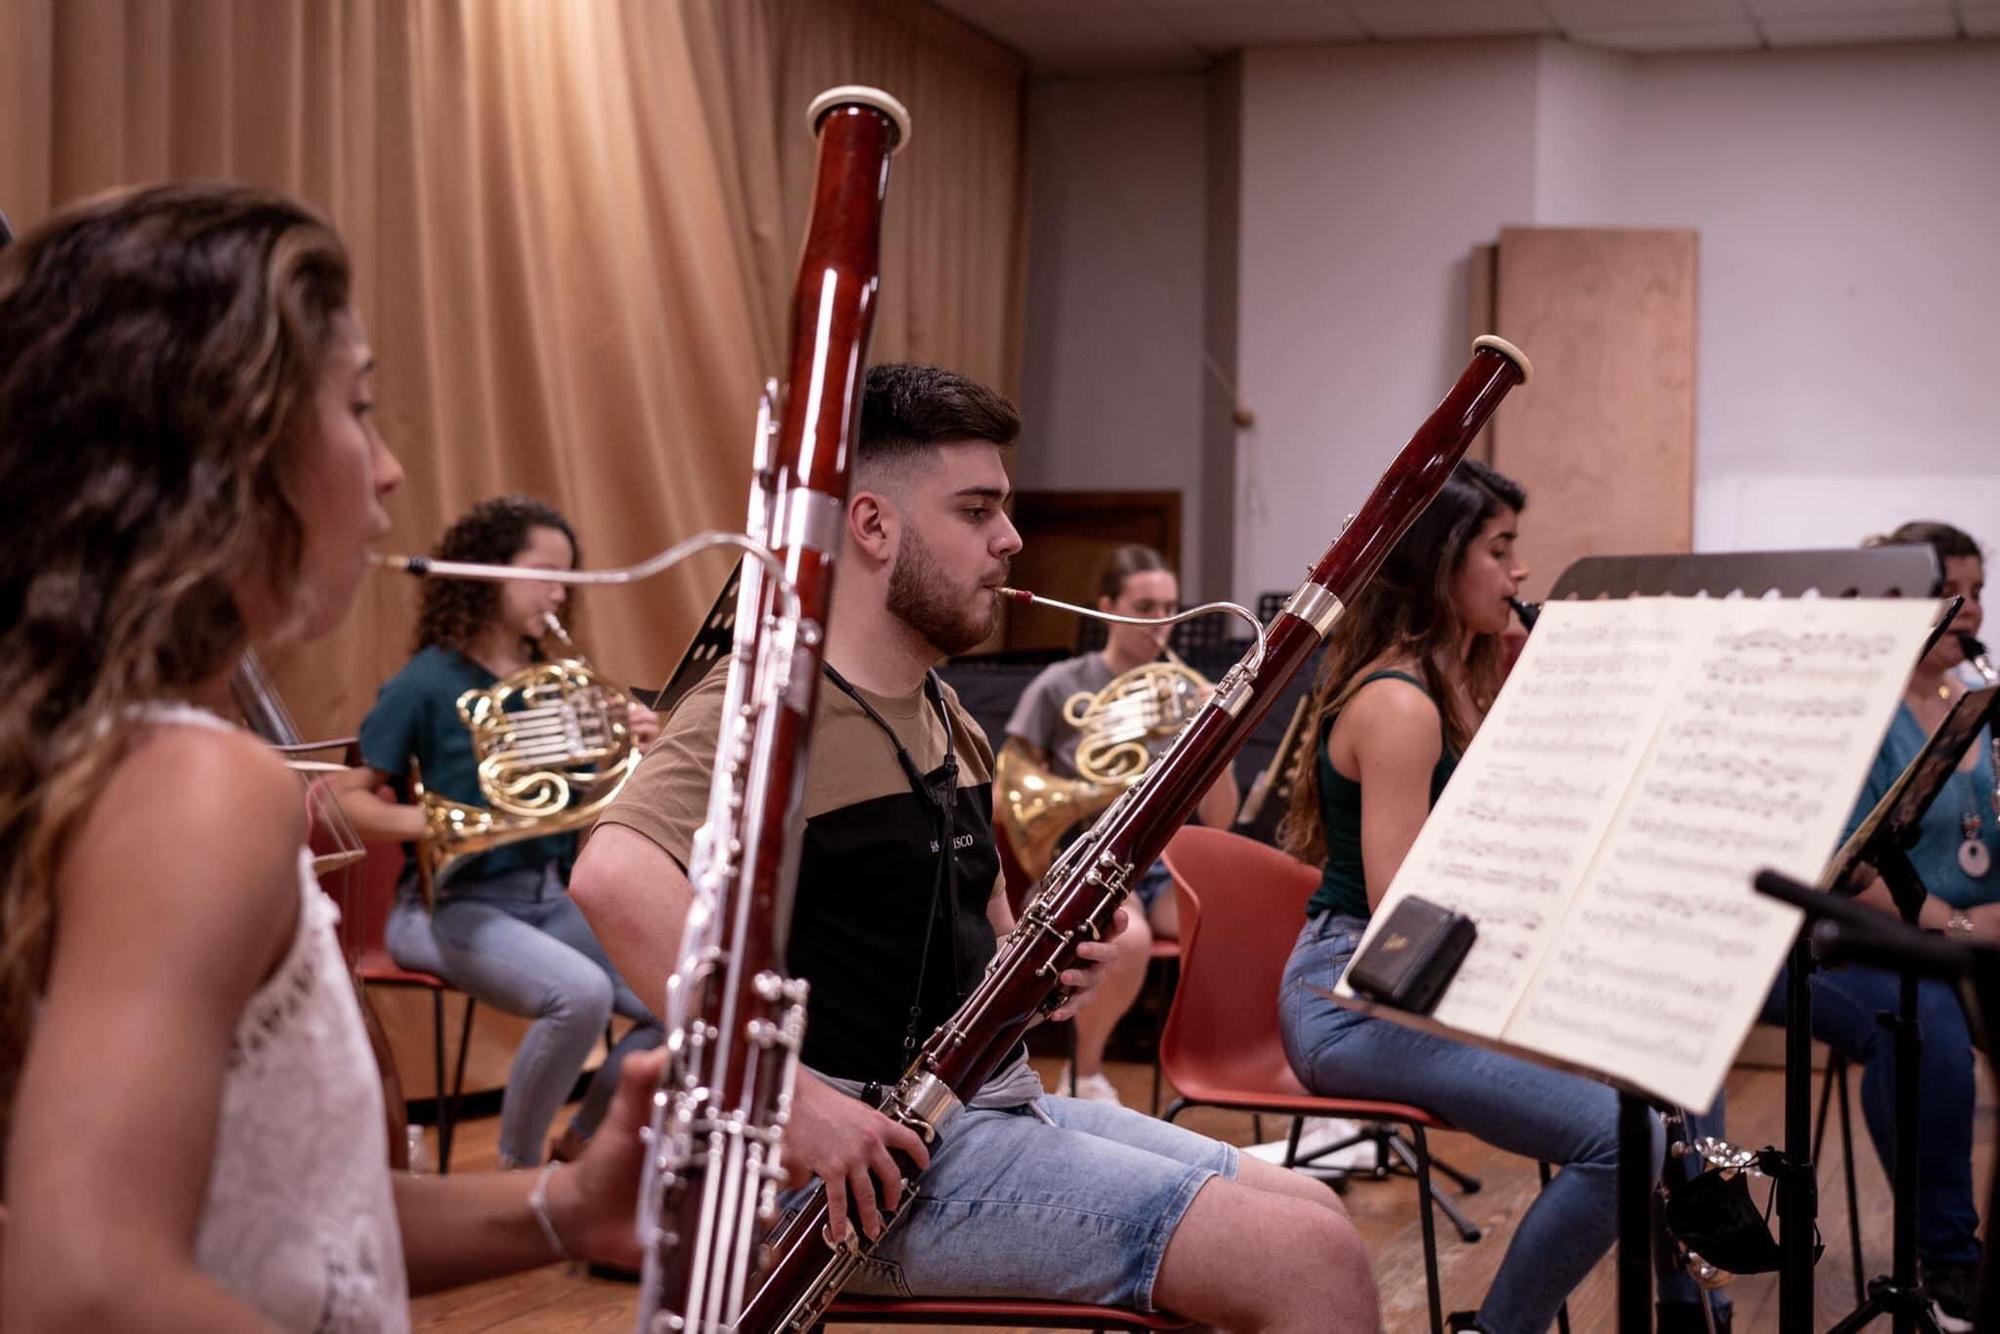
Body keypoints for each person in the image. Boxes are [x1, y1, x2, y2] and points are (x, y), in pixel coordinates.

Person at [569, 363, 1376, 1332]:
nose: (1011, 539)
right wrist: (793, 1102)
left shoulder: (949, 716)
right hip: (849, 1172)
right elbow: (608, 875)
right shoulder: (771, 704)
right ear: (871, 525)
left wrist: (1058, 964)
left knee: (1316, 1209)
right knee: (1309, 1261)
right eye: (977, 509)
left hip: (977, 1109)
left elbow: (986, 944)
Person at [0, 183, 663, 1329]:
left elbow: (288, 1211)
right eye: (359, 407)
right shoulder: (198, 785)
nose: (391, 468)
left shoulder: (104, 757)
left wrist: (563, 1205)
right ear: (225, 448)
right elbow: (87, 1284)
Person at [1274, 459, 1721, 1334]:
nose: (1520, 572)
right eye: (1500, 547)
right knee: (1621, 1141)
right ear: (1441, 563)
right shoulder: (1401, 705)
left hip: (1425, 978)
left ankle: (1691, 1311)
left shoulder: (1458, 683)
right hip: (1359, 997)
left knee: (1673, 1055)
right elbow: (1404, 927)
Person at [328, 494, 664, 1169]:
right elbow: (342, 799)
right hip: (449, 904)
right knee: (582, 995)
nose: (558, 592)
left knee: (682, 1000)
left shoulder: (554, 681)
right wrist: (444, 821)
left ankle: (585, 1150)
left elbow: (567, 805)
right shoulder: (424, 683)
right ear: (484, 574)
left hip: (549, 894)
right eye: (545, 573)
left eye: (568, 578)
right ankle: (520, 1178)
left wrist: (634, 752)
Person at [1757, 519, 1989, 1331]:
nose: (1970, 612)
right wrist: (1964, 924)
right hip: (1851, 940)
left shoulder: (1978, 698)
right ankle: (1949, 1260)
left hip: (1963, 935)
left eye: (1979, 591)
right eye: (1951, 594)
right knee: (1920, 1022)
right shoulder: (1854, 712)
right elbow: (1846, 873)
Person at [1000, 544, 1238, 1102]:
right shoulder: (1062, 684)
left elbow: (1219, 821)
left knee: (1232, 927)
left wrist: (1218, 738)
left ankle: (1222, 1070)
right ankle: (1084, 1074)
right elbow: (1012, 784)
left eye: (1170, 609)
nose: (1161, 624)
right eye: (1145, 607)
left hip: (1159, 862)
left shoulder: (1184, 693)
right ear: (1107, 607)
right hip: (1084, 858)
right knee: (1126, 943)